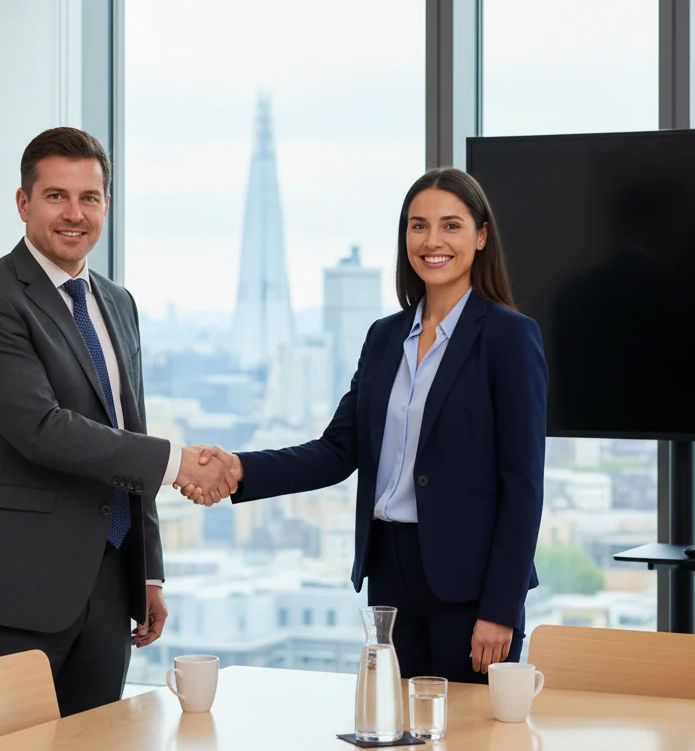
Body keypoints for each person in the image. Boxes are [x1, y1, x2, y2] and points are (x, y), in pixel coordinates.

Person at [183, 168, 546, 682]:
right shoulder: (384, 337)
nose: (432, 241)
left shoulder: (509, 338)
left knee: (471, 748)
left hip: (470, 585)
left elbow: (523, 485)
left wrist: (501, 607)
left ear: (481, 236)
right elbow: (337, 450)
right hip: (391, 573)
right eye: (418, 226)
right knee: (396, 736)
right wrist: (239, 468)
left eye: (451, 226)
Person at [0, 127, 235, 715]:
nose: (74, 214)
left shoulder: (116, 302)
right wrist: (178, 464)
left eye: (89, 198)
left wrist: (148, 571)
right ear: (23, 204)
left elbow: (127, 428)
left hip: (106, 581)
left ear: (105, 205)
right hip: (13, 590)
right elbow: (42, 429)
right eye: (56, 196)